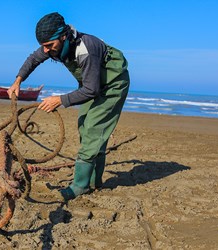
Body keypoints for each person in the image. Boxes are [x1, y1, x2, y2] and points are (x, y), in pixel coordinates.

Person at [7, 12, 130, 201]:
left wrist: (60, 100)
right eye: (43, 46)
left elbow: (91, 90)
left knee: (93, 130)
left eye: (49, 46)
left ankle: (80, 186)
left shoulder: (86, 49)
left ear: (63, 36)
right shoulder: (53, 45)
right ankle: (94, 181)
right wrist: (18, 81)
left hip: (112, 86)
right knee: (85, 127)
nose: (46, 51)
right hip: (92, 86)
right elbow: (34, 59)